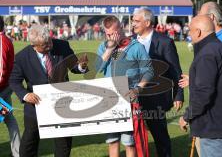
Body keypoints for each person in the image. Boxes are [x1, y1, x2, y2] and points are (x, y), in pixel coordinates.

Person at [9, 25, 88, 157]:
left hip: (62, 104)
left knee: (63, 144)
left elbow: (74, 66)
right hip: (36, 106)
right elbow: (14, 81)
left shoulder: (62, 46)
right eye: (45, 45)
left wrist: (81, 66)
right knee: (29, 144)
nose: (50, 45)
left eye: (50, 41)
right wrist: (25, 95)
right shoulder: (21, 57)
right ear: (34, 45)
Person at [179, 15, 222, 157]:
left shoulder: (208, 53)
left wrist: (187, 116)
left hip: (214, 125)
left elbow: (203, 94)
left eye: (190, 31)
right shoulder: (219, 48)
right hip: (220, 122)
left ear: (198, 32)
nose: (189, 34)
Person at [97, 15, 153, 157]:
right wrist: (110, 49)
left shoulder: (136, 47)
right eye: (108, 33)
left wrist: (138, 88)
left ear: (121, 27)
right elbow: (96, 68)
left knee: (129, 142)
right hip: (110, 100)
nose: (111, 36)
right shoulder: (103, 46)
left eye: (114, 32)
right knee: (112, 141)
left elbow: (149, 71)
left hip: (129, 100)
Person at [132, 7, 184, 157]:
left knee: (160, 137)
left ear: (147, 22)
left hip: (156, 98)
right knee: (133, 138)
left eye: (136, 21)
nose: (133, 24)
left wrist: (179, 95)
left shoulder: (165, 42)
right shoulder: (128, 41)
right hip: (132, 98)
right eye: (133, 21)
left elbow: (176, 71)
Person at [0, 16, 21, 157]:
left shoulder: (2, 41)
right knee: (9, 119)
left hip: (1, 88)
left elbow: (1, 70)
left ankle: (18, 152)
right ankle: (17, 152)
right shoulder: (5, 40)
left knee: (9, 119)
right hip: (5, 87)